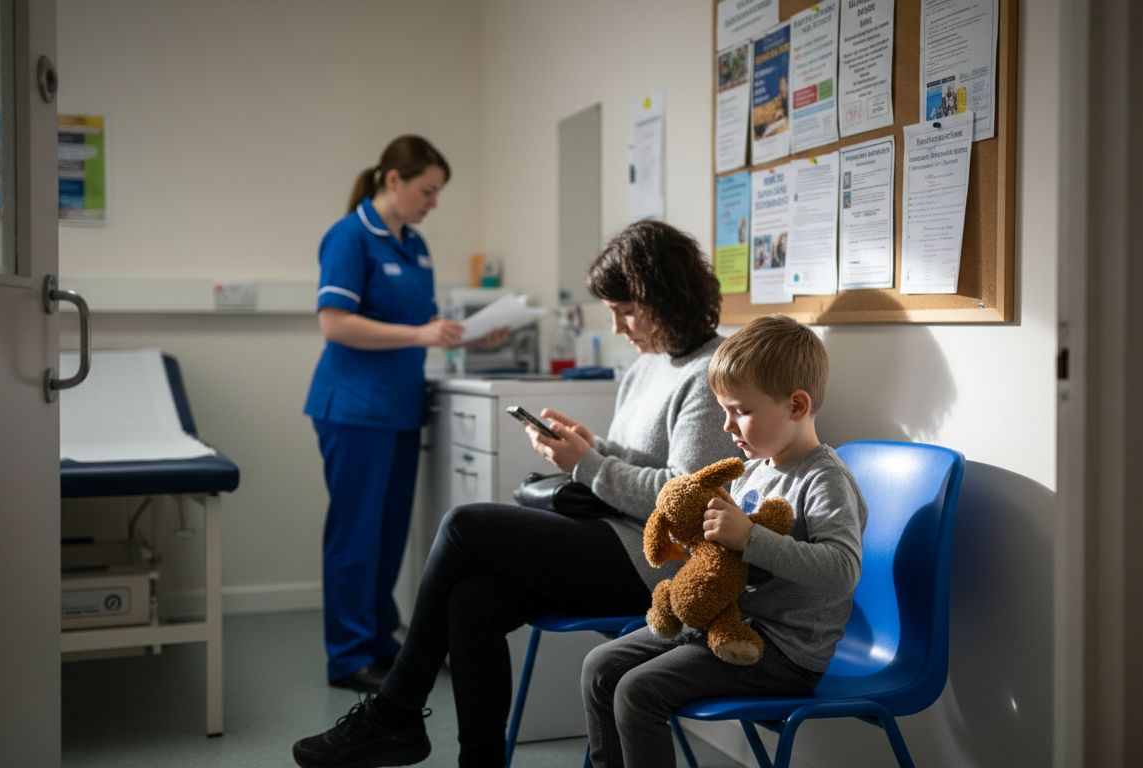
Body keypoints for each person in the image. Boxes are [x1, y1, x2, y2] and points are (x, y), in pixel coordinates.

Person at [292, 220, 742, 768]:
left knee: (465, 526)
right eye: (611, 313)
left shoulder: (711, 373)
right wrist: (585, 445)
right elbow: (632, 461)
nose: (620, 327)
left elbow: (687, 502)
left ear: (664, 296)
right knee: (472, 599)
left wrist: (588, 463)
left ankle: (394, 712)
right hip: (613, 538)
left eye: (626, 310)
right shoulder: (646, 366)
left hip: (661, 566)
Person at [581, 314, 869, 768]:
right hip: (725, 622)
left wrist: (749, 537)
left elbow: (841, 571)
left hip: (784, 651)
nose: (728, 427)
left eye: (742, 411)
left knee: (639, 691)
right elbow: (725, 558)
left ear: (796, 406)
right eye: (724, 412)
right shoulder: (753, 469)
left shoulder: (824, 480)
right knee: (600, 666)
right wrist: (694, 541)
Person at [304, 135, 506, 693]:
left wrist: (483, 338)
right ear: (393, 179)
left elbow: (426, 330)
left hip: (398, 407)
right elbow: (335, 323)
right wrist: (420, 334)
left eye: (437, 193)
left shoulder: (414, 246)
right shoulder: (350, 236)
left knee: (390, 533)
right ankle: (347, 656)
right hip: (352, 408)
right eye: (427, 190)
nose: (432, 203)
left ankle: (377, 639)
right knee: (356, 534)